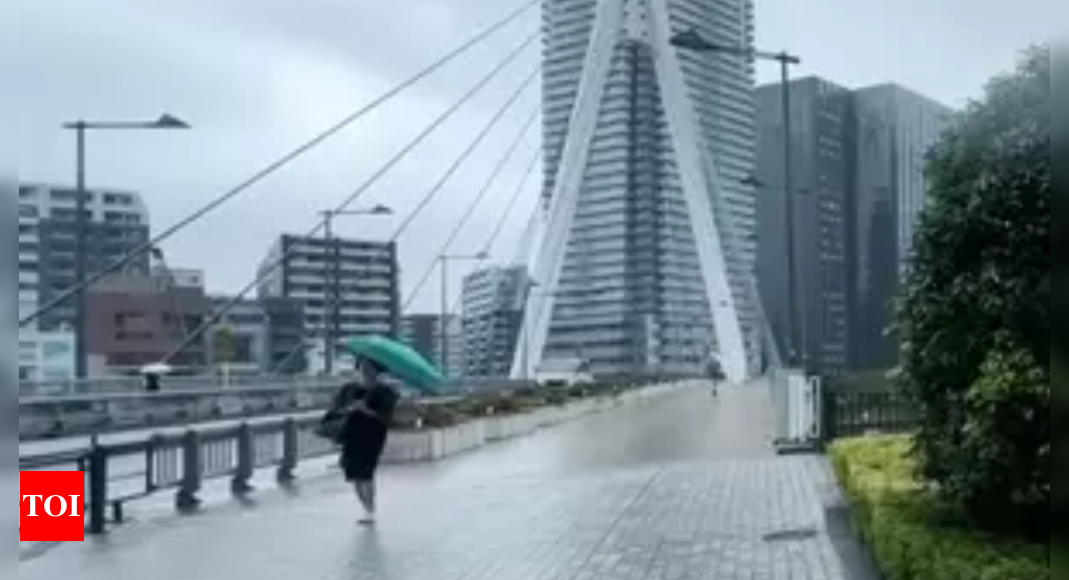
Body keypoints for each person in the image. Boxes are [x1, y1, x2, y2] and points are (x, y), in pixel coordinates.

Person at [333, 357, 399, 525]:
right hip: (351, 436)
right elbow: (335, 410)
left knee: (366, 474)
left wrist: (367, 410)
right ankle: (366, 507)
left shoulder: (386, 392)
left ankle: (369, 511)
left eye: (369, 368)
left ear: (377, 372)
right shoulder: (348, 389)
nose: (365, 371)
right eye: (362, 367)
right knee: (354, 476)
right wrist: (349, 408)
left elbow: (387, 417)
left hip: (372, 437)